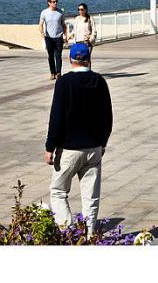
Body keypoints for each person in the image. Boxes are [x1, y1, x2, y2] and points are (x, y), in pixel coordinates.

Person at [44, 43, 112, 235]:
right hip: (94, 147)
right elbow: (107, 116)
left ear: (70, 60)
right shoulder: (99, 81)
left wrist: (50, 147)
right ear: (89, 59)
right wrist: (103, 142)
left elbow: (56, 117)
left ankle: (67, 231)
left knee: (58, 191)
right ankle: (89, 235)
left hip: (69, 149)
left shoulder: (64, 83)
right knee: (90, 197)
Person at [39, 0, 68, 80]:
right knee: (50, 56)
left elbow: (64, 25)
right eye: (53, 2)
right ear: (49, 3)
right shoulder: (44, 12)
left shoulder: (60, 12)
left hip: (58, 37)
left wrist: (65, 35)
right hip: (48, 38)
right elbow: (41, 24)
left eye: (56, 1)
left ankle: (58, 72)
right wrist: (42, 33)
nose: (55, 3)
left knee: (58, 55)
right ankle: (52, 73)